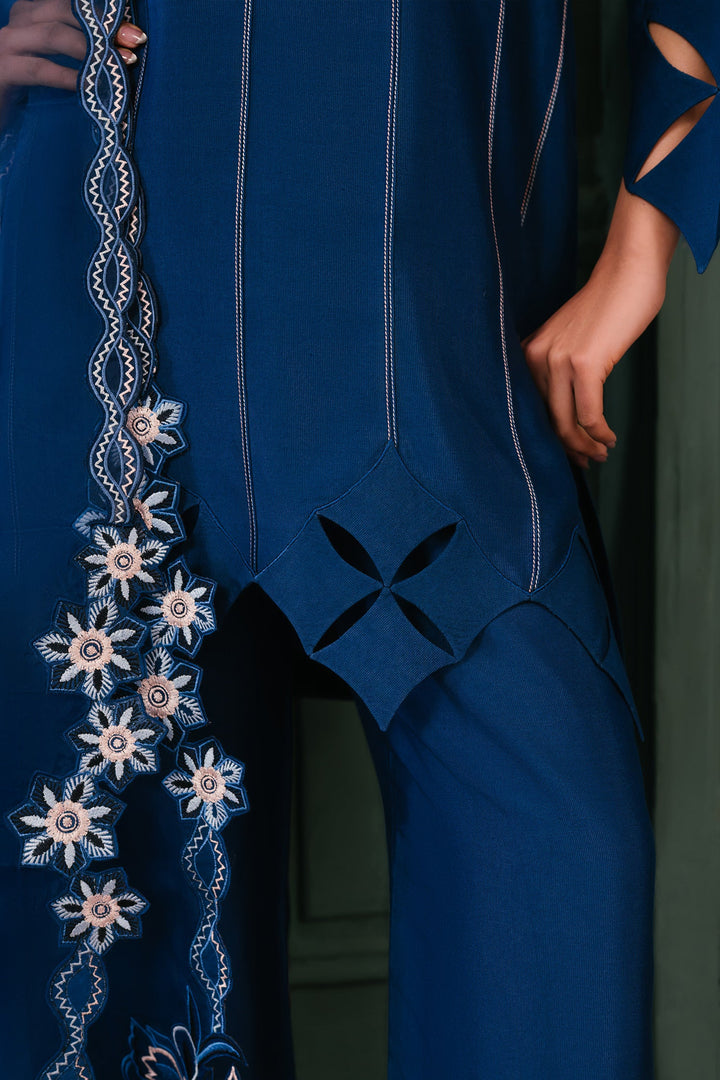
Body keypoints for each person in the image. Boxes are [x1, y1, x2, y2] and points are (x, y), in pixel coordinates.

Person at [0, 1, 718, 1077]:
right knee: (123, 942)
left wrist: (638, 248)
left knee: (560, 869)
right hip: (102, 286)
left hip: (432, 332)